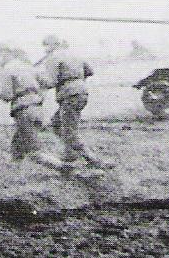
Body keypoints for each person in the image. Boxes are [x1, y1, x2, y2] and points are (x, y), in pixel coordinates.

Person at [0, 42, 73, 175]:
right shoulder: (28, 67)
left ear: (3, 54)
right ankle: (13, 175)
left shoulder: (7, 70)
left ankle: (65, 168)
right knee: (17, 145)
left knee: (34, 151)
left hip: (23, 111)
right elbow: (47, 83)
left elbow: (7, 96)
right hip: (38, 109)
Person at [36, 35, 113, 170]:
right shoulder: (74, 55)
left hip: (69, 96)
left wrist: (37, 77)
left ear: (52, 46)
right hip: (82, 93)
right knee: (56, 123)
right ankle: (70, 153)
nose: (45, 50)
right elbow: (90, 71)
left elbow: (50, 82)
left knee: (70, 132)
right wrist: (76, 79)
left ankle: (93, 160)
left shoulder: (53, 58)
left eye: (46, 46)